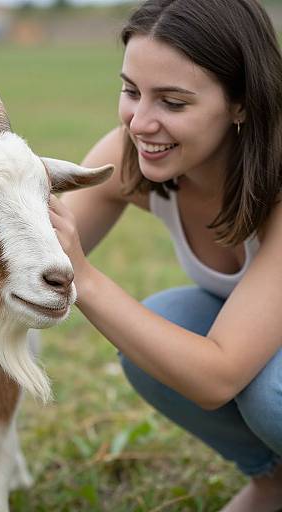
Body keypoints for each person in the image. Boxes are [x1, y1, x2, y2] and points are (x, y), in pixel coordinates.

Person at [48, 0, 282, 510]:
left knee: (272, 393)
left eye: (173, 103)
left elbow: (216, 378)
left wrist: (82, 277)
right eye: (132, 92)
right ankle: (274, 483)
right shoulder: (128, 157)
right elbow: (31, 265)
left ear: (241, 102)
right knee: (161, 328)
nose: (140, 122)